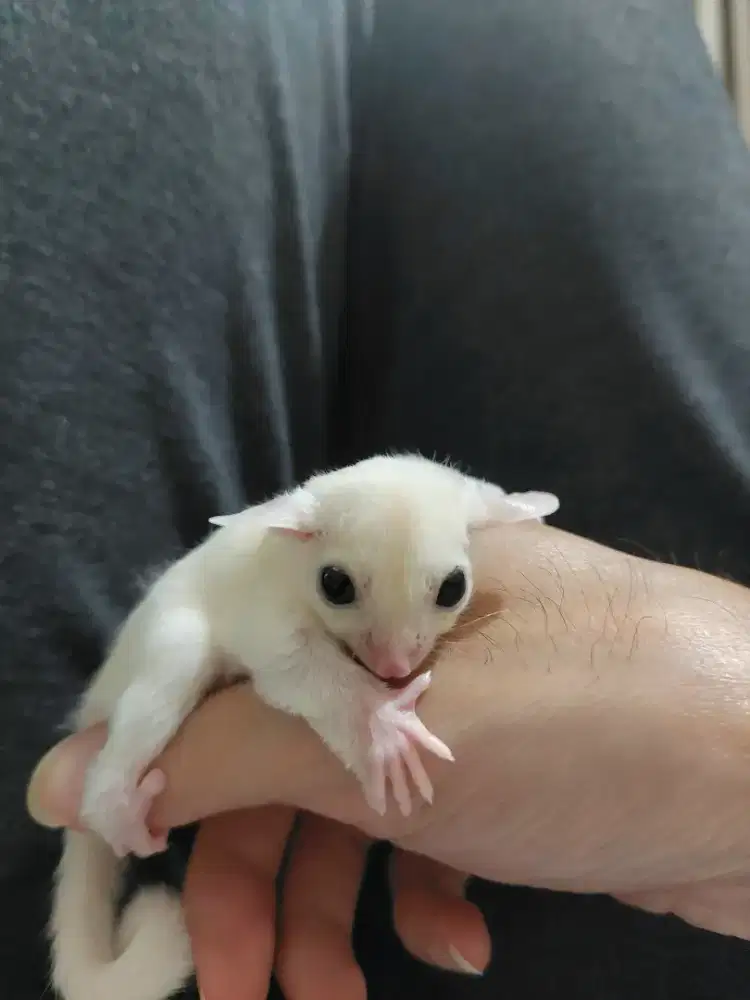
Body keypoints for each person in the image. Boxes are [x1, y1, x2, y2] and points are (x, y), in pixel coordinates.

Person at [4, 0, 750, 997]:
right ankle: (108, 782)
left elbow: (446, 544)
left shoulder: (447, 518)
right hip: (204, 645)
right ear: (294, 530)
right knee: (187, 644)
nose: (398, 659)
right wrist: (361, 714)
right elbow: (281, 654)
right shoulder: (295, 548)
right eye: (345, 589)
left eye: (445, 593)